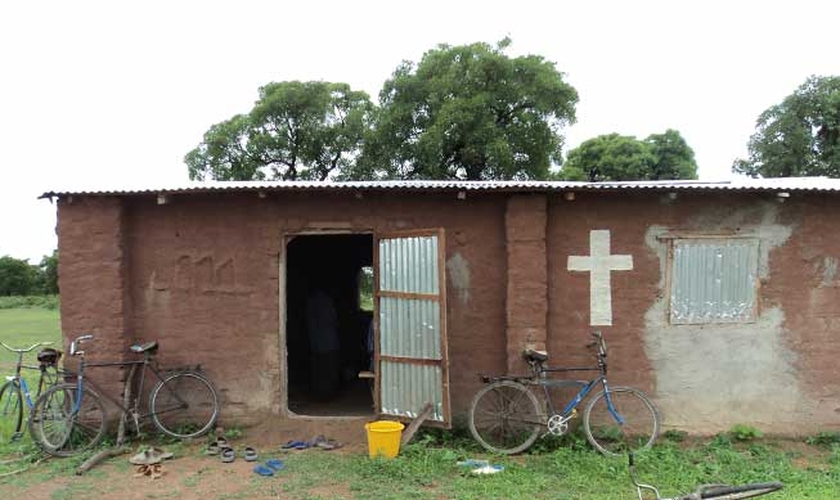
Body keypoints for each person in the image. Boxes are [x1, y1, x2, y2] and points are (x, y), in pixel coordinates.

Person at [305, 288, 341, 399]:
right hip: (329, 343)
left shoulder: (311, 302)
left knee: (318, 370)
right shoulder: (327, 301)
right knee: (329, 369)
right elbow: (334, 319)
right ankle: (329, 393)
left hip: (315, 343)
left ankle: (319, 393)